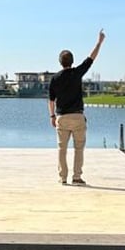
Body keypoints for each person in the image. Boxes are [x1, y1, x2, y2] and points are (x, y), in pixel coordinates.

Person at [48, 29, 106, 186]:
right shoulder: (77, 73)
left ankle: (62, 177)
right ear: (72, 62)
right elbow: (91, 58)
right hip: (77, 116)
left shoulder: (55, 78)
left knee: (62, 149)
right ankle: (77, 177)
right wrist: (99, 42)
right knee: (79, 149)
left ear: (60, 62)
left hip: (61, 117)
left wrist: (52, 116)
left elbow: (51, 100)